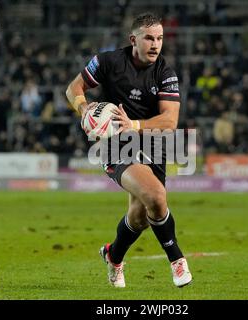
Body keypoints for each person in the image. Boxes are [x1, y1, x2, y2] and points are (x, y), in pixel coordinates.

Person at [66, 12, 192, 288]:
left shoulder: (165, 72)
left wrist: (134, 123)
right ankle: (177, 259)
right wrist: (85, 108)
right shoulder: (108, 61)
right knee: (157, 197)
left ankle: (113, 255)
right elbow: (73, 87)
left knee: (140, 217)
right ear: (133, 39)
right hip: (115, 144)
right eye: (149, 38)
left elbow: (170, 121)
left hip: (153, 143)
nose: (155, 44)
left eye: (159, 38)